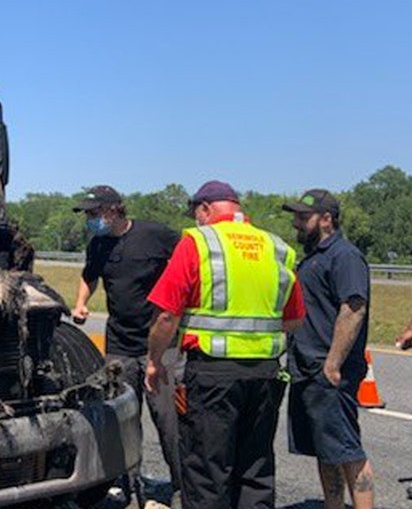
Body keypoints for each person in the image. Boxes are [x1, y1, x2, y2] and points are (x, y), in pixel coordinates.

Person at [144, 180, 305, 509]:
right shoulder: (275, 247)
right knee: (256, 469)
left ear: (205, 209)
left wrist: (154, 361)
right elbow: (294, 319)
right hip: (265, 374)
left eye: (196, 213)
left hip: (212, 375)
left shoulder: (199, 242)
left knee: (207, 471)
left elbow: (165, 317)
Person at [70, 185, 183, 502]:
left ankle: (181, 487)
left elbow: (189, 261)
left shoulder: (156, 235)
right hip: (119, 344)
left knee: (168, 421)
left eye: (94, 213)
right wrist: (81, 303)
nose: (90, 219)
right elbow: (88, 275)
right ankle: (131, 486)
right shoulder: (98, 245)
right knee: (121, 419)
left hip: (160, 345)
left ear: (114, 210)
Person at [283, 189, 375, 509]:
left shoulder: (344, 255)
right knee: (326, 450)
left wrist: (333, 363)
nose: (296, 223)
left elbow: (354, 308)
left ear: (326, 219)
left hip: (329, 370)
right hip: (308, 366)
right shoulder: (315, 256)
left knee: (347, 448)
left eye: (302, 217)